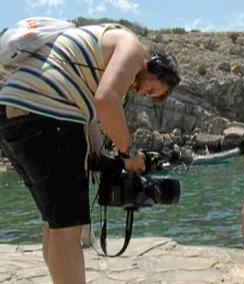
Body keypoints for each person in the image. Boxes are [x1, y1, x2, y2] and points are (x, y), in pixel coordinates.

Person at [0, 22, 180, 284]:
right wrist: (128, 153)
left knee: (55, 223)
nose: (143, 93)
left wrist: (102, 158)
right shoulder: (133, 48)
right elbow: (105, 100)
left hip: (14, 113)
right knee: (68, 228)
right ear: (153, 66)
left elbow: (92, 117)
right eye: (151, 89)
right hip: (47, 114)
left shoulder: (102, 51)